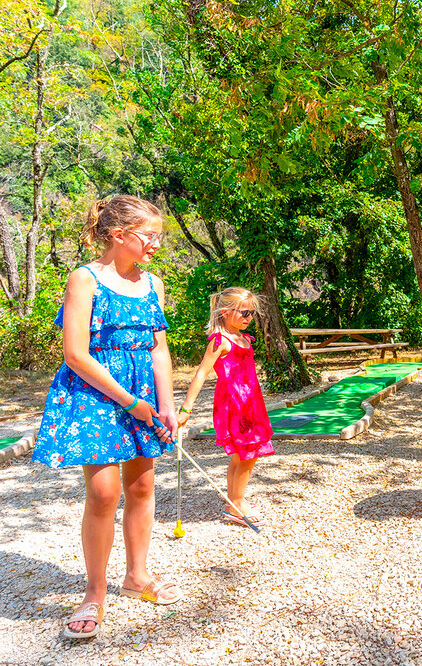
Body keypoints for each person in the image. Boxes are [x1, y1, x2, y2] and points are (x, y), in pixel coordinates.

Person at [34, 195, 182, 640]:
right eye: (149, 235)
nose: (156, 244)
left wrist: (167, 403)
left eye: (159, 236)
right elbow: (76, 355)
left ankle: (137, 576)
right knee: (102, 494)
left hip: (142, 395)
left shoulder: (152, 283)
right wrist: (131, 403)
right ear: (119, 236)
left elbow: (158, 349)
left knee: (142, 484)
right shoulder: (85, 279)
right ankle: (94, 592)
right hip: (97, 393)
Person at [177, 287, 274, 526]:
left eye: (251, 313)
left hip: (251, 401)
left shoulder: (244, 338)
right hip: (236, 403)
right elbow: (201, 374)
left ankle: (234, 501)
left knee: (241, 456)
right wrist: (186, 409)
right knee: (249, 454)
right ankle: (237, 504)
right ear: (225, 312)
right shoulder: (220, 341)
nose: (248, 318)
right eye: (243, 312)